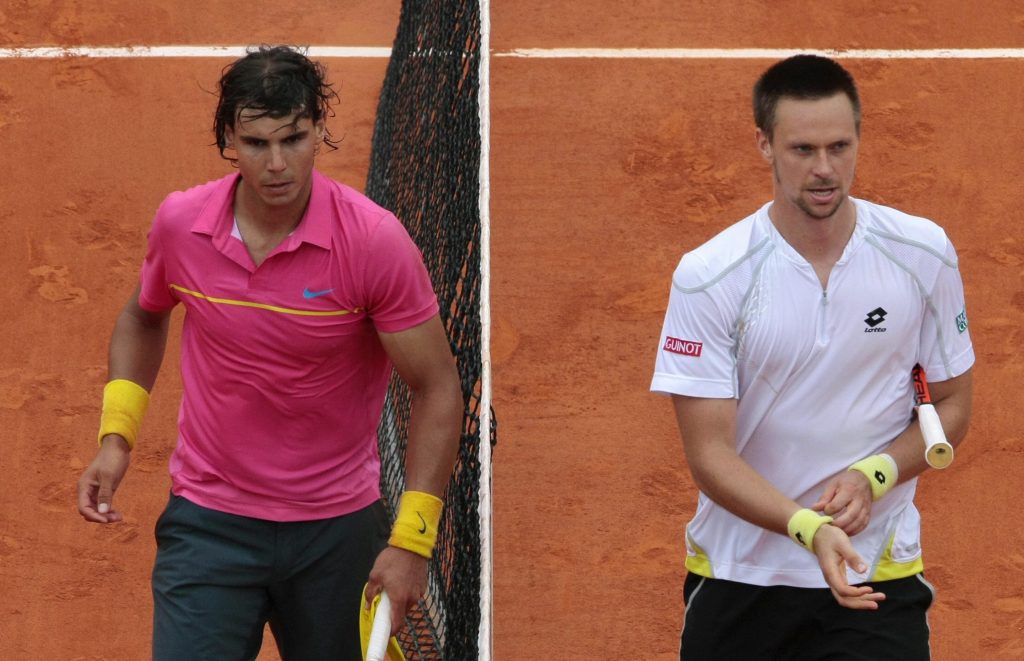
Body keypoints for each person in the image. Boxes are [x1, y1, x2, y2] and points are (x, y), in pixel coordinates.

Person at [76, 45, 463, 661]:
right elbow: (143, 316)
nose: (277, 164)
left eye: (295, 138)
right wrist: (116, 439)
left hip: (336, 532)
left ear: (320, 129)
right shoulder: (183, 224)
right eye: (256, 143)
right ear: (228, 136)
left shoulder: (373, 243)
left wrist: (413, 540)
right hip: (209, 522)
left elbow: (437, 384)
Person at [650, 54, 974, 660]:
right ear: (764, 144)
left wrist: (873, 476)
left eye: (839, 146)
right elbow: (709, 453)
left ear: (857, 139)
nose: (824, 169)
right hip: (740, 575)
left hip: (874, 572)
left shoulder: (922, 254)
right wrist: (809, 528)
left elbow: (952, 405)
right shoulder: (710, 276)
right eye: (802, 150)